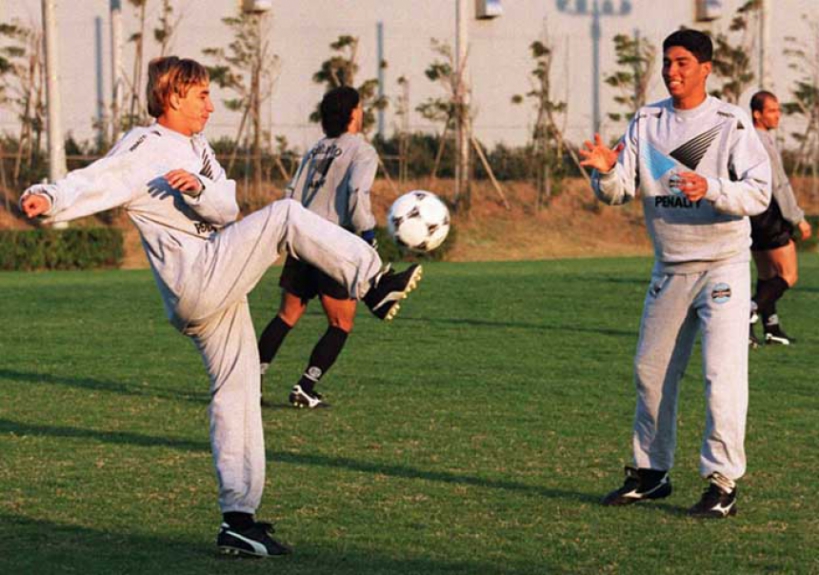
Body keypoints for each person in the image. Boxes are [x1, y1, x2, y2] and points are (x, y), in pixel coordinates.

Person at [20, 56, 422, 557]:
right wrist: (48, 196)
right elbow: (97, 178)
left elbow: (228, 207)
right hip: (196, 278)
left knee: (239, 392)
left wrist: (200, 190)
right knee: (284, 216)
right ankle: (374, 281)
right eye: (202, 95)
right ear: (173, 97)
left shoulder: (199, 149)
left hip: (215, 279)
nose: (211, 105)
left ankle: (238, 521)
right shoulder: (144, 145)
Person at [579, 30, 771, 518]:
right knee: (651, 372)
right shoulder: (648, 120)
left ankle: (722, 483)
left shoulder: (729, 122)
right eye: (667, 62)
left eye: (682, 62)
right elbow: (619, 191)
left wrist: (712, 188)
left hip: (723, 264)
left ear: (706, 68)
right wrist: (605, 171)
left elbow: (758, 193)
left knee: (721, 376)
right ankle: (651, 474)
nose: (671, 71)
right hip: (670, 266)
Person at [257, 86, 378, 409]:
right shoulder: (362, 150)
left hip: (301, 239)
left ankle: (252, 383)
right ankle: (306, 387)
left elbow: (291, 194)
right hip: (334, 244)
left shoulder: (315, 150)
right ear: (353, 113)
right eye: (359, 107)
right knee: (341, 323)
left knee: (286, 315)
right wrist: (368, 233)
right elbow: (357, 193)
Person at [748, 90, 812, 347]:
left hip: (752, 215)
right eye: (772, 111)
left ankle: (771, 328)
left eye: (779, 110)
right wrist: (797, 218)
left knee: (767, 275)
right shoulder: (763, 142)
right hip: (770, 215)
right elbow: (779, 184)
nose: (778, 116)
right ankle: (748, 312)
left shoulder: (746, 138)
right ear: (757, 114)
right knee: (788, 275)